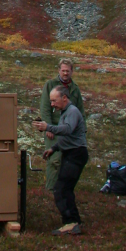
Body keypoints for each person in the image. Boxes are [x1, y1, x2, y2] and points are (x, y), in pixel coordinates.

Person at [33, 86, 88, 235]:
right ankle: (74, 222)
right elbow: (67, 137)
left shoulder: (72, 112)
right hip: (71, 153)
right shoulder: (65, 112)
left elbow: (67, 130)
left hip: (76, 154)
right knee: (65, 189)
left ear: (64, 98)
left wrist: (48, 127)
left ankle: (70, 222)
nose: (52, 104)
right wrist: (54, 148)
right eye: (50, 101)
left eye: (54, 100)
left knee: (61, 189)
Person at [40, 58, 85, 191]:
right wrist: (48, 127)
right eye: (63, 70)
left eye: (68, 71)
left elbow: (81, 111)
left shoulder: (75, 89)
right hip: (53, 129)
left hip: (70, 130)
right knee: (54, 160)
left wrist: (83, 131)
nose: (65, 73)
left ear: (72, 71)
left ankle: (62, 189)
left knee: (67, 161)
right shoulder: (50, 85)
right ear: (59, 70)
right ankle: (51, 188)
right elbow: (45, 108)